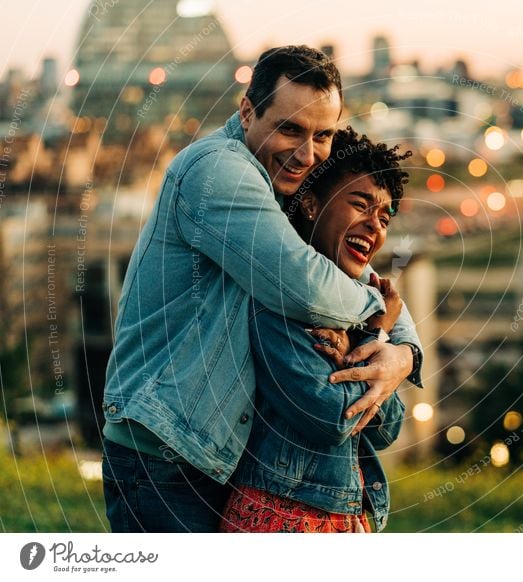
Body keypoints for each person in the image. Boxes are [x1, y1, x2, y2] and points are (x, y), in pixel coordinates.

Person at [101, 46, 423, 532]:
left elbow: (358, 281)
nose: (307, 153)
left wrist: (403, 354)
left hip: (210, 455)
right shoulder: (218, 171)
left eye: (323, 135)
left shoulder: (279, 187)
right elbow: (306, 283)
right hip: (163, 454)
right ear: (247, 111)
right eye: (290, 128)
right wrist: (381, 320)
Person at [221, 128, 410, 533]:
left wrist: (369, 339)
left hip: (345, 515)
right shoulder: (279, 297)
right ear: (309, 203)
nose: (374, 226)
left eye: (384, 217)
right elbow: (331, 416)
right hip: (280, 519)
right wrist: (377, 333)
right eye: (360, 205)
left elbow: (388, 426)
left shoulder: (356, 304)